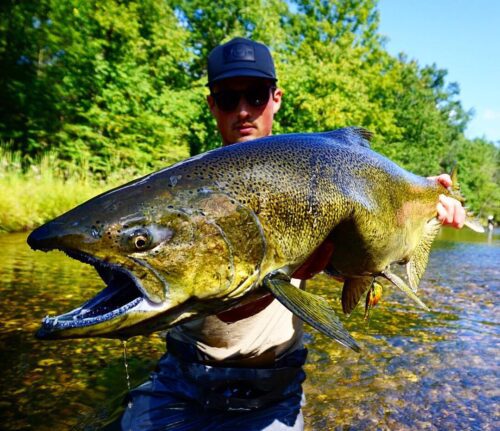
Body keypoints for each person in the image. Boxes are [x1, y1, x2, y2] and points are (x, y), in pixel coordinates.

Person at [117, 37, 466, 431]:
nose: (244, 110)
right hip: (180, 378)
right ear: (212, 104)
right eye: (229, 98)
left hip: (273, 392)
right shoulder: (174, 189)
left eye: (255, 95)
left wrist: (435, 198)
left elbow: (363, 254)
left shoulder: (310, 173)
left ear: (276, 98)